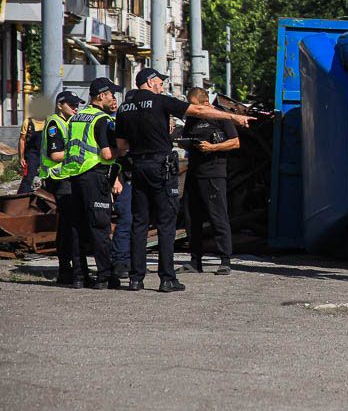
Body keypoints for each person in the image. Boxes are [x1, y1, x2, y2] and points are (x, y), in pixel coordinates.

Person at [115, 68, 251, 293]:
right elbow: (198, 110)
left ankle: (135, 279)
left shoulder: (124, 108)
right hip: (161, 167)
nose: (161, 85)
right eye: (159, 82)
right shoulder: (160, 101)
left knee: (139, 222)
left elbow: (121, 147)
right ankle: (167, 278)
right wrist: (234, 116)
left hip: (138, 167)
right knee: (166, 223)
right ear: (149, 82)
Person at [60, 78, 123, 290]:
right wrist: (123, 151)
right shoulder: (102, 119)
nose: (113, 98)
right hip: (94, 176)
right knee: (100, 227)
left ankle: (79, 276)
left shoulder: (77, 118)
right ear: (101, 96)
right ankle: (105, 277)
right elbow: (106, 154)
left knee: (77, 227)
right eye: (111, 94)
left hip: (74, 177)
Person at [181, 87, 238, 275]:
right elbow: (187, 137)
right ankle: (195, 260)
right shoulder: (192, 118)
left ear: (206, 103)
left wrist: (213, 147)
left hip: (214, 173)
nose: (194, 110)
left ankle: (225, 260)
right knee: (191, 218)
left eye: (196, 106)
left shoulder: (221, 116)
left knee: (218, 216)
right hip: (194, 172)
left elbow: (235, 142)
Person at [39, 91, 86, 286]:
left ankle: (68, 269)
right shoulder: (54, 124)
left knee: (68, 225)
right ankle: (67, 270)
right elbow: (55, 154)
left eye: (77, 104)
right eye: (71, 104)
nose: (76, 107)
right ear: (60, 105)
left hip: (67, 178)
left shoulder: (67, 123)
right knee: (70, 225)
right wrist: (79, 153)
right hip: (59, 179)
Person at [17, 112, 45, 194]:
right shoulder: (28, 122)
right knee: (28, 178)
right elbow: (22, 140)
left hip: (45, 154)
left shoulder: (49, 121)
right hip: (32, 154)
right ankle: (21, 199)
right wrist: (21, 157)